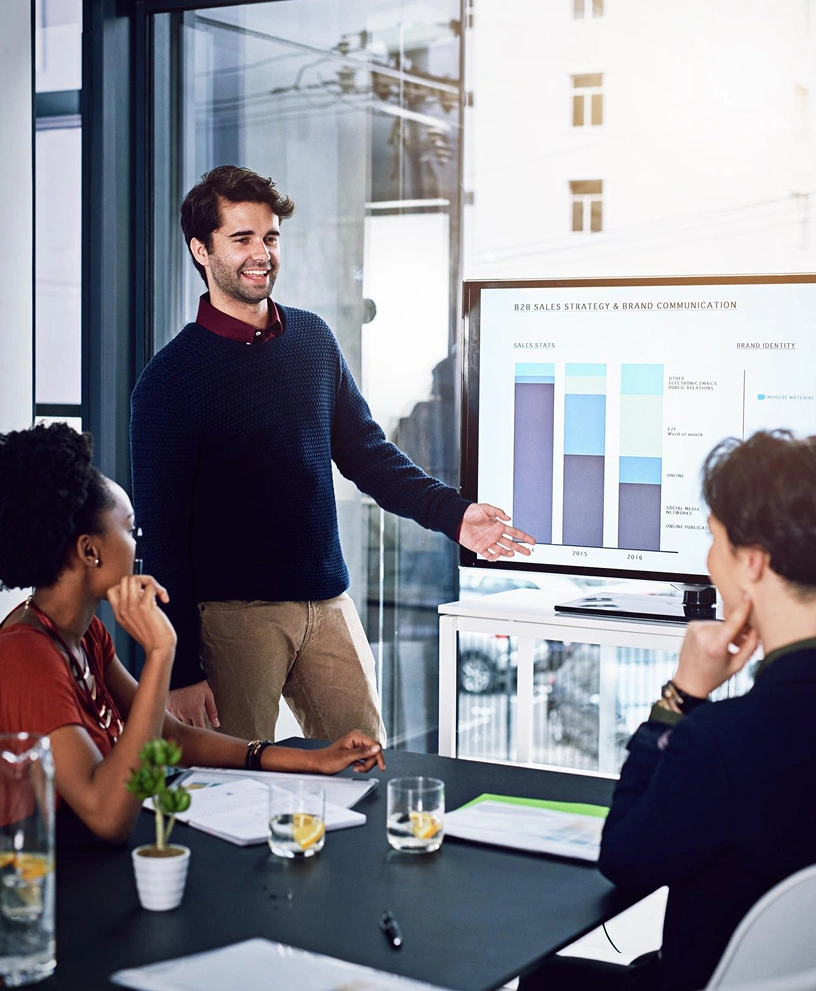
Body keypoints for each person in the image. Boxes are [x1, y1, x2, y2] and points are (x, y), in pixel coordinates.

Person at [130, 165, 534, 741]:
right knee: (235, 779)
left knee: (365, 760)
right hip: (232, 620)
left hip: (328, 603)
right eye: (241, 238)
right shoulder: (169, 381)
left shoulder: (313, 340)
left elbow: (367, 453)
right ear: (202, 249)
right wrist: (182, 670)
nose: (261, 254)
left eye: (270, 237)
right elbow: (161, 537)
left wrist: (455, 515)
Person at [520, 429, 816, 991]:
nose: (709, 562)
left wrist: (682, 696)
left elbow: (625, 859)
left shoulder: (722, 743)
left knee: (545, 981)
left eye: (714, 539)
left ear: (753, 563)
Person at [0, 423, 385, 844]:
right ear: (90, 550)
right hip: (52, 875)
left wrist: (312, 760)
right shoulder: (25, 655)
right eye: (130, 530)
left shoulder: (85, 634)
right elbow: (108, 817)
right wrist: (161, 653)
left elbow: (173, 736)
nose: (138, 545)